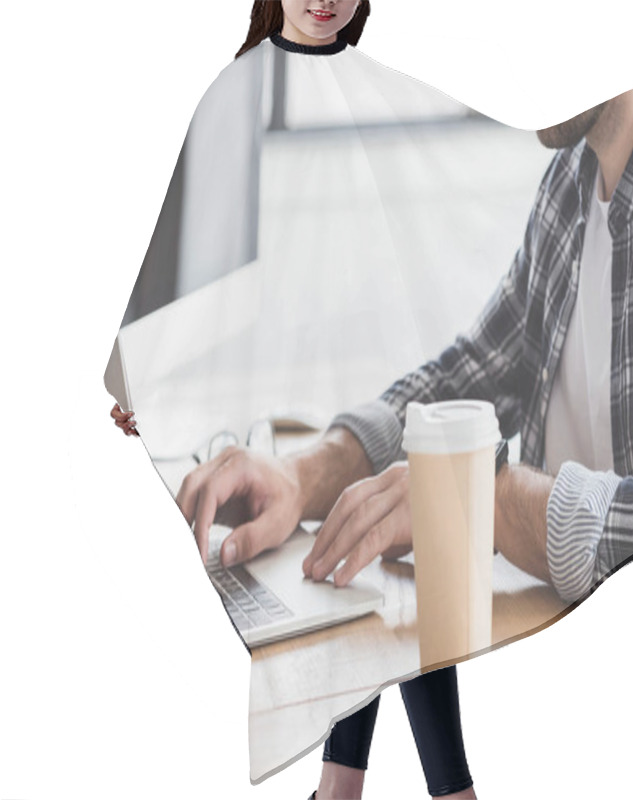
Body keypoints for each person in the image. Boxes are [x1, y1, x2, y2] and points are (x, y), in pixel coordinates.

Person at [113, 2, 477, 799]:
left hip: (366, 389)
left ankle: (346, 789)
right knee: (379, 590)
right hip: (277, 398)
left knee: (389, 586)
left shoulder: (376, 86)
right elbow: (188, 260)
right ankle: (415, 791)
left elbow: (468, 177)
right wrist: (142, 375)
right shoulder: (237, 91)